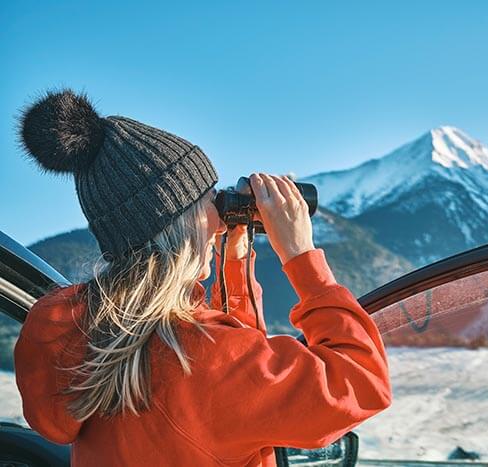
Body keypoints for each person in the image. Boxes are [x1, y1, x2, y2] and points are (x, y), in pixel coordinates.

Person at [12, 89, 392, 466]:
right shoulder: (205, 358)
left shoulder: (69, 330)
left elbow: (231, 364)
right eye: (209, 201)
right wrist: (301, 256)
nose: (218, 215)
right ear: (177, 224)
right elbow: (362, 382)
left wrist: (235, 254)